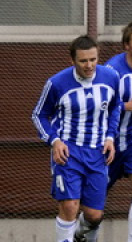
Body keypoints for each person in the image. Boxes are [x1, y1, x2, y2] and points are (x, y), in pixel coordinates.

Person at [73, 22, 132, 242]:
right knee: (94, 208)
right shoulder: (111, 71)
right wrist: (125, 106)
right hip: (108, 143)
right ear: (126, 46)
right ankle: (81, 233)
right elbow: (100, 106)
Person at [31, 35, 122, 242]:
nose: (89, 65)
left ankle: (80, 236)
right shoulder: (56, 83)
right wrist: (54, 141)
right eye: (83, 61)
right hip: (68, 152)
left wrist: (110, 137)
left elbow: (116, 106)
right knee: (70, 206)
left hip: (98, 153)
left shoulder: (110, 78)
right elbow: (39, 115)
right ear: (72, 61)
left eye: (93, 59)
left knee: (94, 215)